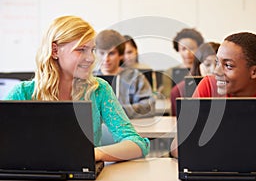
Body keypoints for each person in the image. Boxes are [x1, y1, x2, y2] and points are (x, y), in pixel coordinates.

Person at [4, 15, 150, 162]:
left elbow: (136, 144)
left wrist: (92, 154)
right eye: (81, 50)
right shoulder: (23, 93)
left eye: (92, 50)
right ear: (55, 51)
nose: (91, 58)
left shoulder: (99, 90)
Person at [170, 32, 256, 162]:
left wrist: (251, 158)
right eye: (217, 63)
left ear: (254, 71)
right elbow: (177, 147)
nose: (217, 72)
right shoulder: (209, 86)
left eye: (228, 66)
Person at [94, 29, 156, 119]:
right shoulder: (89, 79)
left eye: (111, 53)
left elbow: (149, 107)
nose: (106, 59)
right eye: (102, 53)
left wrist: (117, 111)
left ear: (121, 55)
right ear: (95, 53)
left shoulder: (135, 78)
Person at [170, 42, 217, 116]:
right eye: (207, 64)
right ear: (198, 65)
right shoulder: (178, 91)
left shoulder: (232, 88)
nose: (214, 70)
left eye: (218, 64)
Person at [161, 28, 204, 99]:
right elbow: (168, 97)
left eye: (191, 48)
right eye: (184, 49)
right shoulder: (169, 73)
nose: (187, 52)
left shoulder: (205, 70)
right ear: (178, 49)